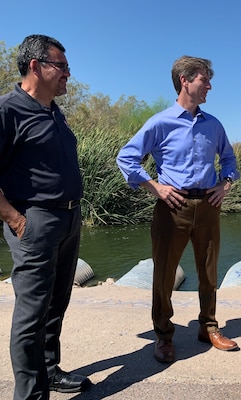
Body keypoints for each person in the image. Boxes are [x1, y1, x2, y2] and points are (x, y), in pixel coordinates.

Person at [116, 55, 240, 363]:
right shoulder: (160, 122)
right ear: (184, 80)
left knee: (209, 273)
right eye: (204, 80)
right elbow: (126, 158)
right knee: (164, 275)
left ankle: (209, 327)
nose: (209, 86)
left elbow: (230, 161)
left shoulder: (214, 124)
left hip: (209, 207)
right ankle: (164, 335)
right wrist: (155, 187)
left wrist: (225, 185)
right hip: (173, 208)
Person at [0, 34, 91, 398]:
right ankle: (31, 394)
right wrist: (15, 219)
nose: (68, 73)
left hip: (69, 219)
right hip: (34, 221)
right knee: (31, 314)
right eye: (62, 66)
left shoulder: (54, 111)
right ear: (36, 66)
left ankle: (50, 371)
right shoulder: (8, 110)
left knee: (56, 304)